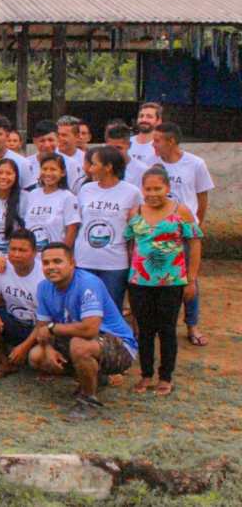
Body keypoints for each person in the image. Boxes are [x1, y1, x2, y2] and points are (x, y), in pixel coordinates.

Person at [30, 243, 138, 421]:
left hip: (119, 344)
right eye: (46, 263)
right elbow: (42, 328)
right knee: (37, 356)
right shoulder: (43, 287)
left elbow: (90, 329)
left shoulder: (88, 283)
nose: (51, 267)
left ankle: (88, 400)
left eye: (57, 261)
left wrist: (52, 328)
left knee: (79, 346)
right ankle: (96, 378)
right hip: (82, 340)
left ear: (72, 263)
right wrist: (49, 349)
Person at [125, 166, 201, 395]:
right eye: (148, 189)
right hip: (140, 281)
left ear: (167, 188)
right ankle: (146, 374)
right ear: (142, 189)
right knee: (145, 329)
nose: (153, 193)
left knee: (167, 329)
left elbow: (195, 243)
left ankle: (165, 376)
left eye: (158, 188)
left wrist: (191, 279)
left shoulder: (182, 211)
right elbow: (130, 243)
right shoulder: (135, 212)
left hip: (171, 282)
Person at [150, 121, 214, 347]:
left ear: (171, 141)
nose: (153, 145)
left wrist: (195, 225)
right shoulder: (153, 164)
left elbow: (202, 197)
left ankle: (192, 324)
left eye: (157, 140)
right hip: (159, 231)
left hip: (184, 231)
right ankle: (160, 324)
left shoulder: (195, 164)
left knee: (189, 279)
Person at [75, 146, 141, 311]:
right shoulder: (85, 189)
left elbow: (135, 228)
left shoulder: (131, 192)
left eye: (94, 164)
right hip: (84, 259)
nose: (90, 169)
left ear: (108, 167)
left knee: (111, 308)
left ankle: (110, 337)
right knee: (86, 307)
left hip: (115, 263)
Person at [0, 230, 43, 380]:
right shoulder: (2, 267)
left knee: (38, 359)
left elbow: (48, 321)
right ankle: (4, 362)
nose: (16, 254)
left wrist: (24, 347)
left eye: (22, 250)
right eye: (13, 249)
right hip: (14, 322)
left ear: (34, 252)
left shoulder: (44, 275)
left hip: (39, 328)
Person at [23, 154, 80, 248]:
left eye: (53, 169)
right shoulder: (33, 194)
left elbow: (72, 229)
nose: (48, 173)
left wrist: (63, 253)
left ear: (63, 173)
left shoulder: (68, 197)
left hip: (54, 254)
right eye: (44, 169)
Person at [105, 122, 148, 187]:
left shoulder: (142, 171)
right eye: (110, 148)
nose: (114, 152)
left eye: (119, 148)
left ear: (129, 145)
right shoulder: (100, 168)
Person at [55, 115, 88, 191]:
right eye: (58, 135)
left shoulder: (86, 159)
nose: (59, 138)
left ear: (77, 136)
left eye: (64, 135)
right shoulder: (49, 157)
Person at [24, 120, 59, 185]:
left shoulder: (69, 164)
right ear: (34, 141)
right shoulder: (26, 164)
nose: (47, 145)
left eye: (50, 140)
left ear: (58, 139)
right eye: (42, 141)